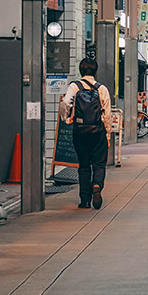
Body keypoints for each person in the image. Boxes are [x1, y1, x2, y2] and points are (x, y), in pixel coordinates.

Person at [60, 57, 110, 209]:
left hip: (80, 131)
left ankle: (85, 200)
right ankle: (97, 185)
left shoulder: (74, 86)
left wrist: (67, 119)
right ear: (95, 71)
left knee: (83, 165)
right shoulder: (101, 89)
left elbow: (65, 103)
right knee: (99, 164)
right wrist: (107, 135)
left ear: (81, 70)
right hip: (98, 131)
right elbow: (107, 114)